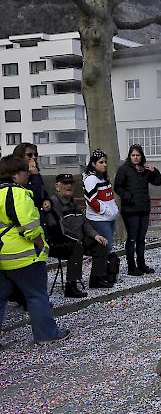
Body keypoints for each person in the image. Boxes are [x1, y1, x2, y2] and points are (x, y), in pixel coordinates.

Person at [0, 156, 70, 344]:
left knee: (1, 298)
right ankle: (46, 335)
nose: (28, 174)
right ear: (15, 175)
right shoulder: (20, 194)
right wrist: (40, 244)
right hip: (23, 255)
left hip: (2, 254)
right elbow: (29, 226)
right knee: (36, 295)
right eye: (25, 171)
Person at [47, 174, 112, 297]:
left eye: (71, 183)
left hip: (78, 239)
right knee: (76, 248)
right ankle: (71, 286)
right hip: (60, 242)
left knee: (100, 244)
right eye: (65, 183)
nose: (69, 185)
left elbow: (85, 223)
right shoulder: (53, 203)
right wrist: (77, 240)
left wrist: (95, 235)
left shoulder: (73, 202)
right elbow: (59, 230)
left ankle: (96, 278)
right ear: (57, 186)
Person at [114, 144, 161, 276]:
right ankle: (131, 266)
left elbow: (158, 182)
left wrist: (154, 170)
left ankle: (141, 264)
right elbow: (117, 187)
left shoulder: (145, 169)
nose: (135, 158)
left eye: (138, 155)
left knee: (141, 238)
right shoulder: (124, 169)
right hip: (130, 210)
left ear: (141, 156)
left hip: (144, 208)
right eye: (133, 155)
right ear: (129, 156)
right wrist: (128, 197)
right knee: (132, 238)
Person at [83, 150, 119, 253]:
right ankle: (104, 268)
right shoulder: (91, 179)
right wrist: (105, 211)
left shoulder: (103, 177)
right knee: (105, 247)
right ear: (93, 164)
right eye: (101, 162)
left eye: (105, 162)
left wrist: (114, 209)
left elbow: (109, 197)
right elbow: (91, 200)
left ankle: (106, 267)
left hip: (108, 218)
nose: (105, 165)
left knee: (108, 246)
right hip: (99, 219)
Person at [12, 143, 51, 215]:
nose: (34, 157)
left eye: (35, 155)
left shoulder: (34, 173)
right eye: (29, 155)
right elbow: (33, 196)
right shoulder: (17, 176)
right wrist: (35, 176)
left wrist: (47, 200)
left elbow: (42, 192)